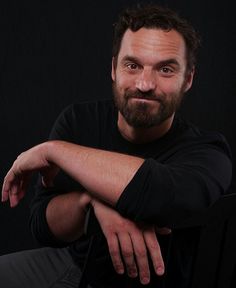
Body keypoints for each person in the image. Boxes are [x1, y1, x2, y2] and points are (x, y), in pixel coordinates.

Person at [1, 3, 232, 288]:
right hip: (75, 268)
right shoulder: (79, 120)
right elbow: (43, 226)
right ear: (114, 68)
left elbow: (156, 194)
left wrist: (53, 150)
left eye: (166, 69)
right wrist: (89, 203)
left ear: (188, 79)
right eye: (132, 65)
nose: (145, 83)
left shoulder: (207, 152)